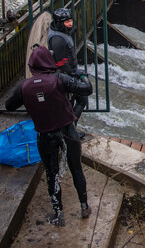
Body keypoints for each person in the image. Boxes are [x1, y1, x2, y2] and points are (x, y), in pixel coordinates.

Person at [5, 46, 93, 226]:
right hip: (67, 130)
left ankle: (58, 213)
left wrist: (26, 92)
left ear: (32, 66)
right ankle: (84, 206)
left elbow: (9, 106)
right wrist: (82, 75)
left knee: (52, 174)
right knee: (76, 168)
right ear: (49, 63)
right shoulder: (59, 79)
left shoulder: (25, 87)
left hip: (45, 135)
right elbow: (87, 89)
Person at [47, 8, 88, 125]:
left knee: (74, 102)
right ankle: (70, 130)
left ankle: (70, 129)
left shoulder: (59, 31)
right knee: (76, 101)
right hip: (64, 75)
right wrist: (75, 73)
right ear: (60, 23)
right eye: (67, 22)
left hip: (68, 72)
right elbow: (61, 63)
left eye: (70, 20)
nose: (70, 24)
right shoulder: (57, 40)